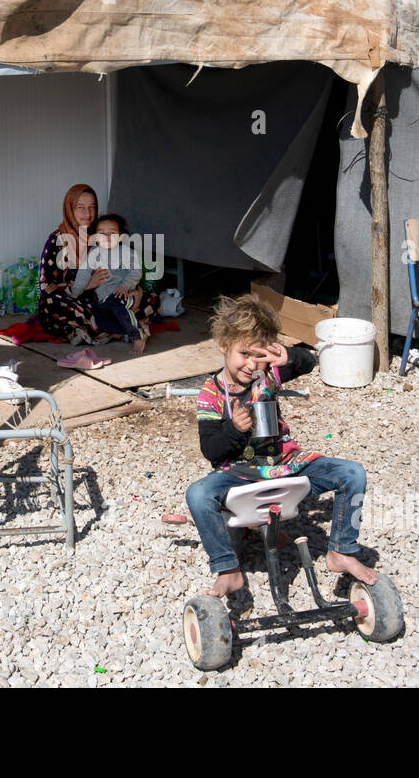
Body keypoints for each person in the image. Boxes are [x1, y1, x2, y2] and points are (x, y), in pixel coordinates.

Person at [185, 294, 378, 597]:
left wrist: (289, 355)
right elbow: (211, 451)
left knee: (352, 473)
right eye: (244, 354)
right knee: (198, 494)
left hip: (284, 464)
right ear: (224, 346)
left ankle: (341, 550)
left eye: (259, 355)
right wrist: (234, 429)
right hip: (239, 475)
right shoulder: (210, 394)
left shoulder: (269, 374)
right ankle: (227, 568)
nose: (251, 364)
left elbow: (311, 361)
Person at [37, 184, 158, 345]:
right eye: (80, 207)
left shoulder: (102, 232)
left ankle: (110, 327)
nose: (87, 214)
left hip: (110, 296)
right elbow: (45, 285)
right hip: (77, 300)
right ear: (70, 209)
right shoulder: (57, 240)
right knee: (52, 302)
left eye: (92, 207)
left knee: (151, 299)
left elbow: (129, 269)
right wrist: (88, 285)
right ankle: (127, 328)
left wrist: (135, 290)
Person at [70, 214, 150, 353]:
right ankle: (137, 328)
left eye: (112, 233)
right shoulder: (94, 253)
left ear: (120, 237)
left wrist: (125, 285)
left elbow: (136, 271)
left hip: (122, 293)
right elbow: (84, 272)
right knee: (101, 323)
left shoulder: (126, 252)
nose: (107, 237)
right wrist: (76, 292)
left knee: (118, 309)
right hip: (102, 299)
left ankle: (137, 336)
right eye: (102, 233)